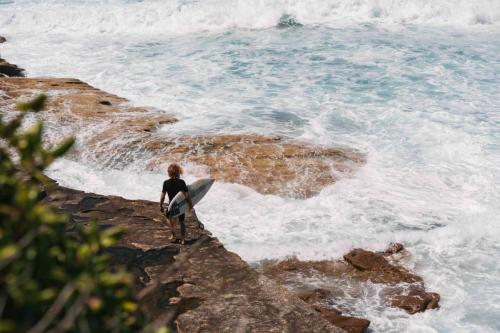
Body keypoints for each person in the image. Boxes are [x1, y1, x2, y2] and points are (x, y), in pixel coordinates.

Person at [160, 163, 193, 244]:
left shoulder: (166, 183)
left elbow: (162, 196)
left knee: (169, 219)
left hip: (171, 205)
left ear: (169, 173)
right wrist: (190, 204)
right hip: (180, 205)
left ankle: (172, 233)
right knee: (181, 222)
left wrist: (160, 205)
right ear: (178, 171)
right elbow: (186, 195)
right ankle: (183, 239)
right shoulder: (182, 182)